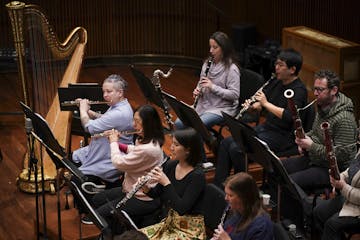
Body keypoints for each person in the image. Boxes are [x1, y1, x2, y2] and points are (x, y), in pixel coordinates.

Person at [213, 48, 307, 189]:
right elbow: (262, 104)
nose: (276, 68)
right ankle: (219, 186)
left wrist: (265, 104)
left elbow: (289, 117)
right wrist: (254, 106)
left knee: (237, 149)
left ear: (292, 69)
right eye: (276, 64)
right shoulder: (276, 82)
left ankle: (242, 189)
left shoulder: (299, 90)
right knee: (226, 143)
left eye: (281, 65)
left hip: (284, 136)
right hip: (267, 128)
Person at [89, 105, 165, 233]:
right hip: (129, 188)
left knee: (100, 215)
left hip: (142, 197)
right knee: (97, 200)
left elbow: (119, 163)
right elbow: (135, 150)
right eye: (133, 120)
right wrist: (118, 144)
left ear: (148, 125)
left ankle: (115, 233)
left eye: (137, 122)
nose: (133, 125)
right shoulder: (145, 139)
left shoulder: (150, 149)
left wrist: (113, 142)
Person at [282, 69, 358, 191]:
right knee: (278, 168)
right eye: (315, 89)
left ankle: (301, 209)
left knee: (291, 182)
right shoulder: (323, 106)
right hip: (316, 159)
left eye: (320, 90)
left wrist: (311, 146)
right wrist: (304, 138)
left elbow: (341, 156)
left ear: (334, 90)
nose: (316, 93)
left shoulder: (344, 119)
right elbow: (315, 132)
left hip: (333, 170)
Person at [174, 31, 240, 161]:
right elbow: (201, 84)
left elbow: (234, 95)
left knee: (198, 125)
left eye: (215, 47)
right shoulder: (207, 64)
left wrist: (212, 87)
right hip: (205, 104)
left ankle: (201, 160)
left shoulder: (232, 69)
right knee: (179, 123)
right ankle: (203, 144)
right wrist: (198, 90)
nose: (211, 50)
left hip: (223, 108)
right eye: (210, 47)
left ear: (224, 48)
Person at [140, 128, 206, 239]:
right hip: (171, 222)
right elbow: (157, 193)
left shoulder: (197, 176)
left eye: (176, 145)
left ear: (188, 150)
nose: (171, 148)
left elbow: (181, 208)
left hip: (189, 229)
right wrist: (145, 188)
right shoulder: (171, 165)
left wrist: (166, 182)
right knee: (136, 236)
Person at [71, 74, 133, 192]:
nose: (105, 95)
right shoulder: (120, 104)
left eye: (109, 91)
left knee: (76, 180)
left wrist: (83, 110)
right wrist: (89, 112)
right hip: (102, 147)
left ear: (120, 92)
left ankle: (101, 189)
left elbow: (88, 128)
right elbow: (105, 118)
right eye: (104, 91)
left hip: (108, 155)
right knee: (71, 159)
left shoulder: (119, 113)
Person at [313, 150, 360, 240]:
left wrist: (343, 187)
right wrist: (339, 177)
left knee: (331, 225)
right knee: (318, 212)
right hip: (350, 198)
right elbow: (349, 170)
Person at [211, 172, 273, 240]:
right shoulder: (232, 208)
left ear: (244, 198)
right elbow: (225, 231)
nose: (226, 198)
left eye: (230, 195)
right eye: (226, 194)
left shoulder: (261, 226)